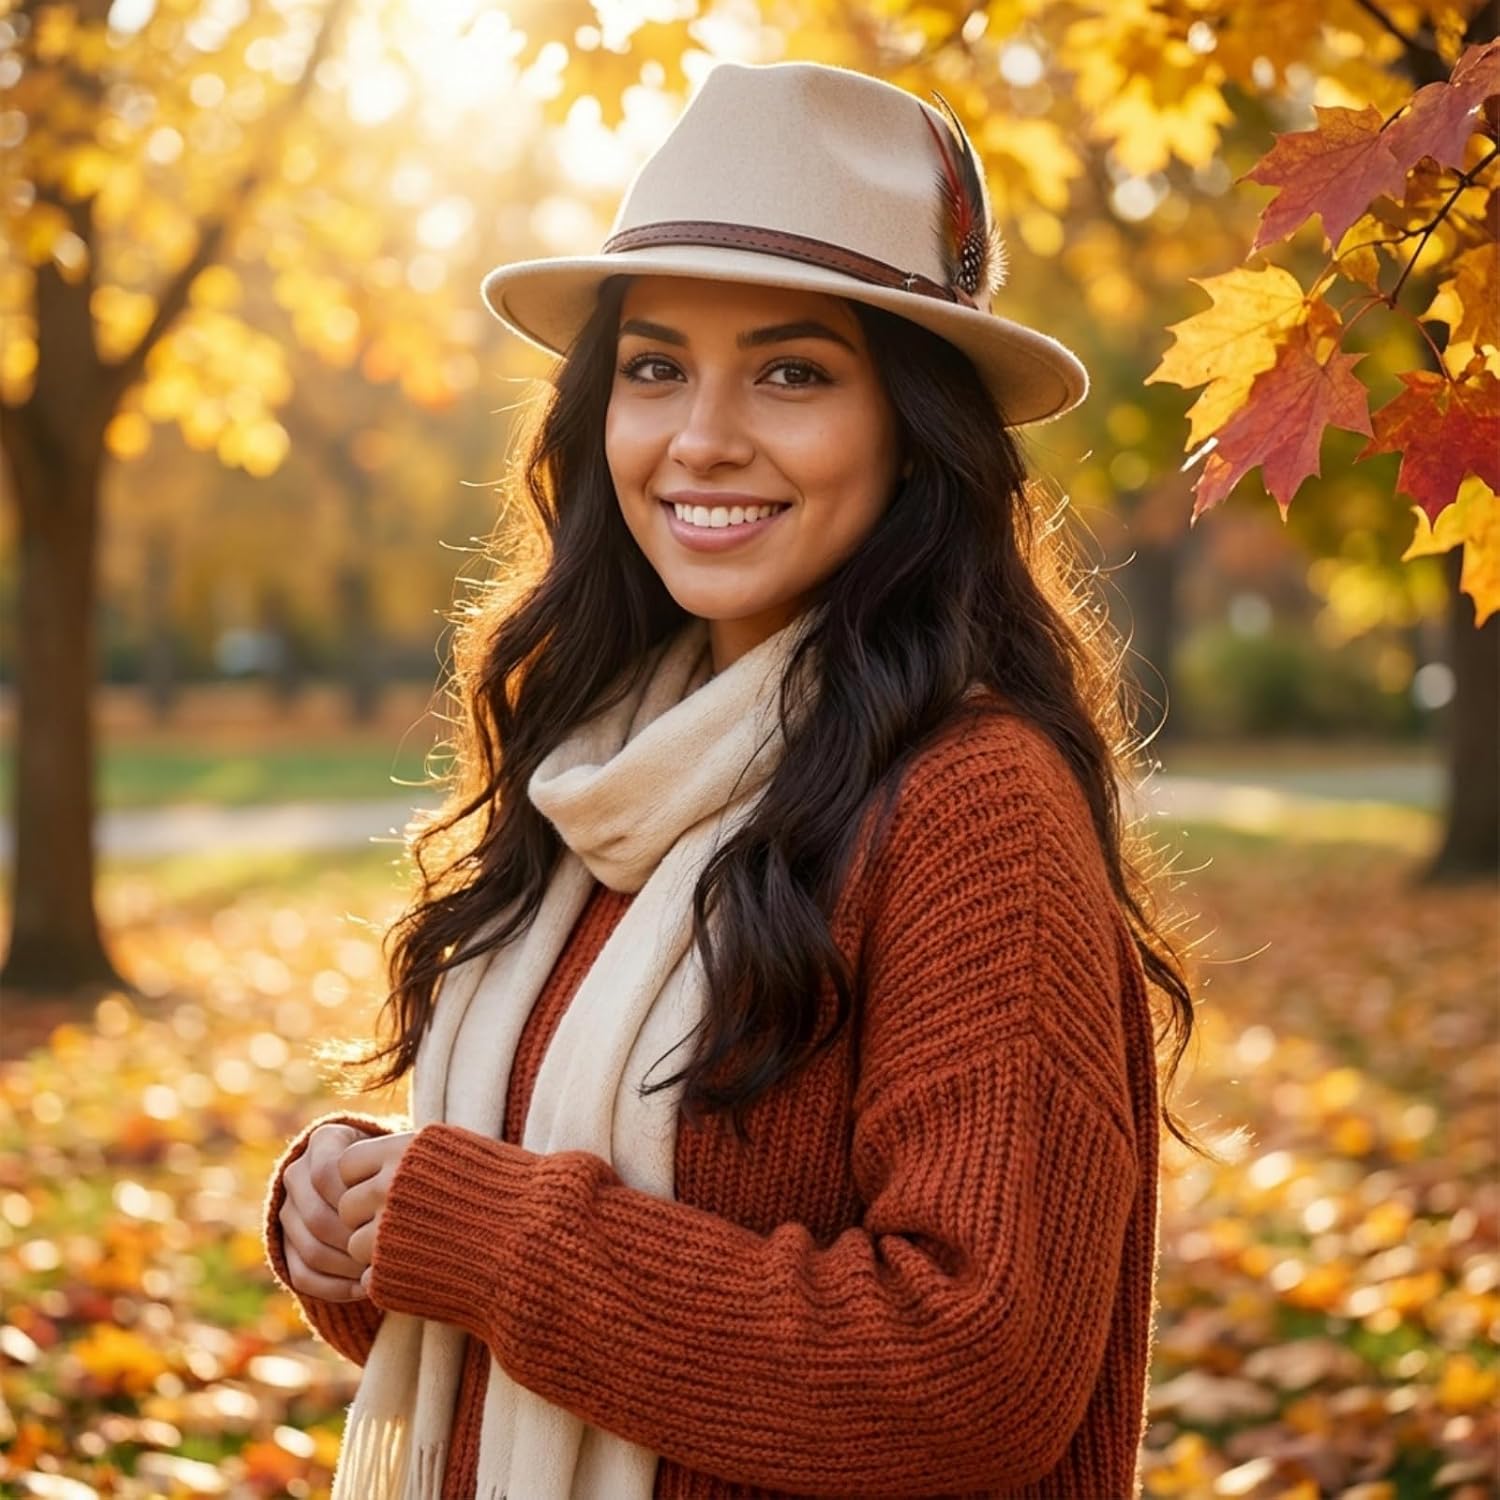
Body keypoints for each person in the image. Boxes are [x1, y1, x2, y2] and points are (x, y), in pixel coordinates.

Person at [262, 58, 1205, 1500]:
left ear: (913, 428)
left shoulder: (972, 804)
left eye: (791, 371)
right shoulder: (599, 770)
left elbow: (972, 1373)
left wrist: (487, 1234)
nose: (701, 437)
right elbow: (529, 1295)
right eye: (654, 368)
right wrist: (363, 1223)